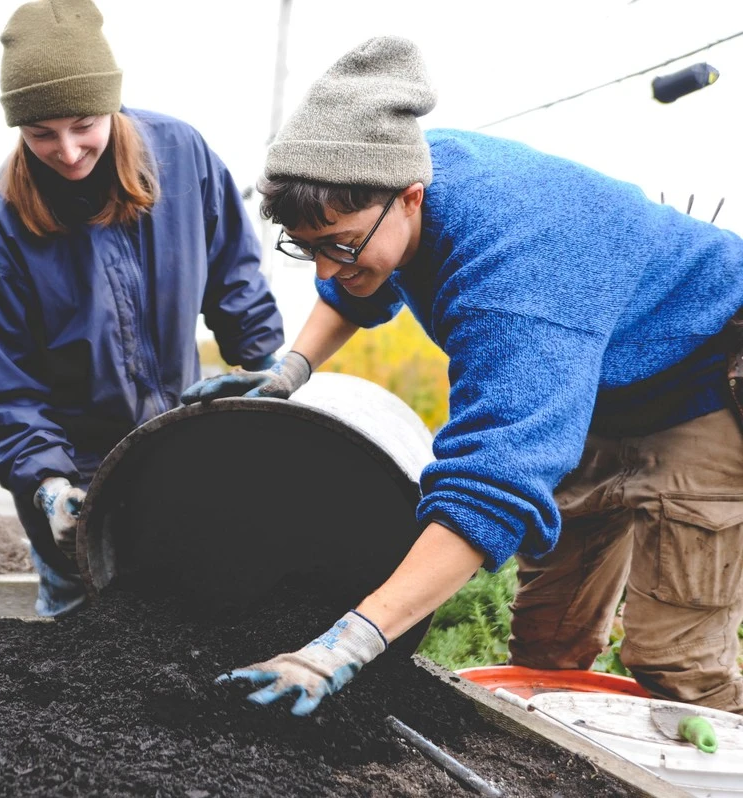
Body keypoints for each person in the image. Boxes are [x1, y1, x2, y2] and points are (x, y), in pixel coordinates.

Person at [188, 36, 743, 716]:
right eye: (308, 250)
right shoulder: (389, 175)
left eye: (338, 246)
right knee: (547, 642)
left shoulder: (511, 274)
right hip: (593, 385)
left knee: (673, 664)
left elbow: (492, 485)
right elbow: (362, 280)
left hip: (704, 379)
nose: (326, 269)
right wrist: (288, 372)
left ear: (412, 198)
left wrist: (339, 648)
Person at [0, 0, 284, 618]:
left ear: (111, 102)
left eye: (84, 122)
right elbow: (1, 391)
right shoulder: (1, 229)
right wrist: (50, 487)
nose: (69, 150)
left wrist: (268, 365)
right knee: (79, 641)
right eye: (40, 134)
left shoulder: (182, 155)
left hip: (180, 457)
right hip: (77, 476)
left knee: (194, 620)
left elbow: (234, 275)